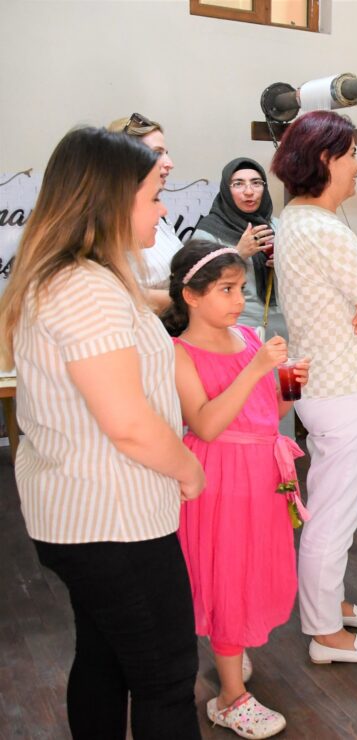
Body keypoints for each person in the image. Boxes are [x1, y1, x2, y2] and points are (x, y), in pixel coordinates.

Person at [0, 127, 205, 738]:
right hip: (114, 521)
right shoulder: (84, 289)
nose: (162, 210)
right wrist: (188, 468)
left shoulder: (80, 279)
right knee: (167, 680)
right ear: (111, 201)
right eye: (153, 196)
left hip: (86, 517)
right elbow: (129, 424)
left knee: (105, 657)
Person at [271, 111, 357, 665]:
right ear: (326, 160)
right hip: (344, 387)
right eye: (351, 154)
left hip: (322, 383)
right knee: (334, 512)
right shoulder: (325, 229)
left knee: (332, 503)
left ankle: (333, 603)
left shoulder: (293, 220)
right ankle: (326, 633)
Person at [162, 241, 308, 739]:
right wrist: (256, 369)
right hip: (220, 475)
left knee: (252, 566)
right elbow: (205, 425)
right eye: (225, 289)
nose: (238, 300)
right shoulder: (180, 353)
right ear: (191, 295)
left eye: (241, 289)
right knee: (226, 572)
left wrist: (291, 384)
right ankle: (229, 697)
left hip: (262, 471)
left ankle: (231, 651)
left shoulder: (247, 338)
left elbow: (269, 414)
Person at [192, 158, 285, 339]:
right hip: (234, 327)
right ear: (226, 190)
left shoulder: (278, 225)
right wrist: (238, 254)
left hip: (281, 323)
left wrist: (285, 262)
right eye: (238, 184)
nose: (249, 191)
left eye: (256, 183)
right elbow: (196, 283)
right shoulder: (209, 231)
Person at [108, 112, 181, 311]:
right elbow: (117, 294)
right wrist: (189, 301)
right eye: (157, 153)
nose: (169, 163)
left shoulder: (159, 217)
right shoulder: (106, 220)